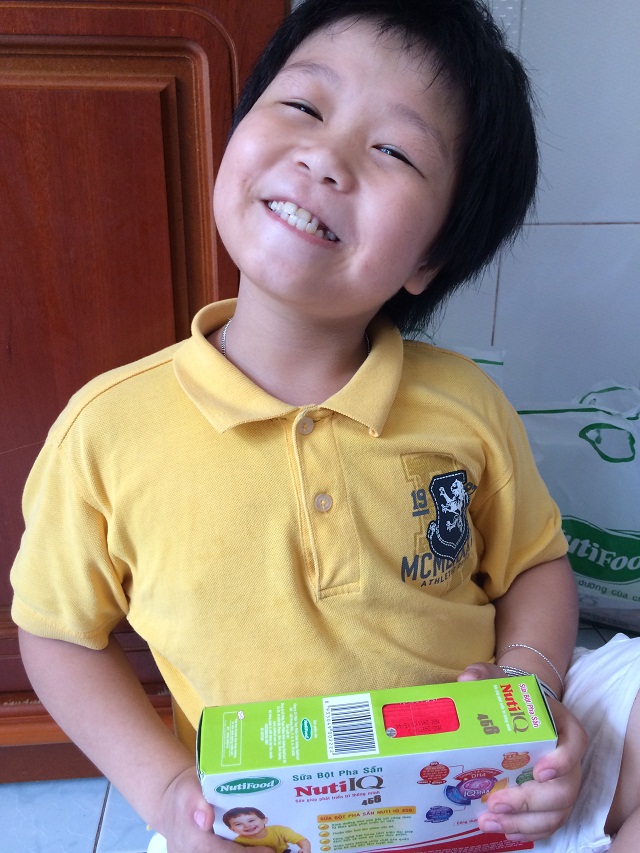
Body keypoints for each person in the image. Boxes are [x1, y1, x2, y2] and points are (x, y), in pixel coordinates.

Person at [9, 1, 640, 852]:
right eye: (303, 106)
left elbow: (534, 562)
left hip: (479, 788)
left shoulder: (463, 403)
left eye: (394, 151)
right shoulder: (105, 430)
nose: (325, 158)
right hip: (263, 820)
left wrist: (527, 694)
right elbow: (56, 634)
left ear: (431, 257)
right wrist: (166, 792)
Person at [222, 807, 311, 853]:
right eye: (238, 824)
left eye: (251, 820)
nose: (247, 826)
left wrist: (305, 849)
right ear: (232, 829)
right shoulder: (238, 842)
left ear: (264, 820)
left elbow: (301, 840)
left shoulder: (278, 830)